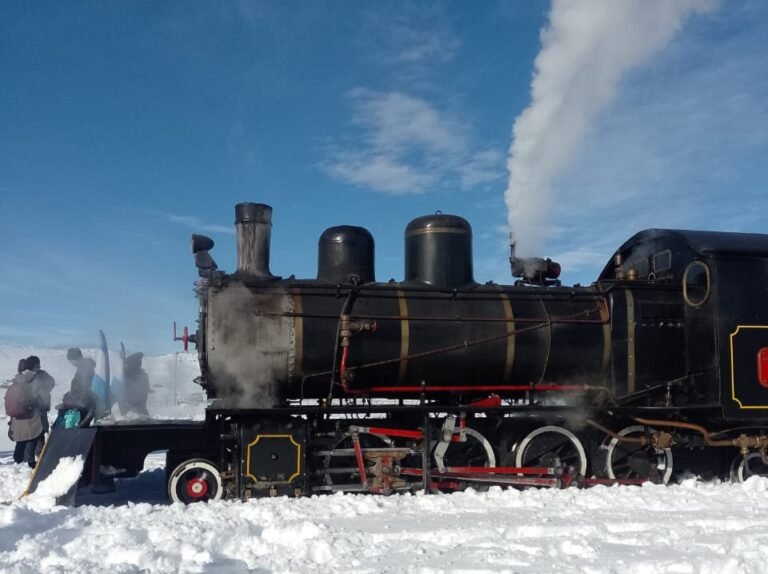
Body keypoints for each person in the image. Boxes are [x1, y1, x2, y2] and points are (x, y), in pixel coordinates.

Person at [7, 355, 55, 467]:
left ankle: (18, 459)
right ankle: (35, 461)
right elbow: (50, 385)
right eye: (38, 365)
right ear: (35, 366)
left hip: (19, 415)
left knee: (23, 436)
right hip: (35, 412)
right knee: (36, 436)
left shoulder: (19, 378)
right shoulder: (38, 377)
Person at [55, 347, 97, 428]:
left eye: (71, 360)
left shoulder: (85, 369)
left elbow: (83, 388)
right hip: (84, 403)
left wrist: (71, 400)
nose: (71, 363)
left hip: (84, 405)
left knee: (80, 429)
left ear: (75, 359)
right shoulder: (85, 367)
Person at [120, 352, 150, 417]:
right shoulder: (123, 376)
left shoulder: (143, 376)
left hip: (138, 409)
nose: (139, 364)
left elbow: (145, 393)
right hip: (126, 410)